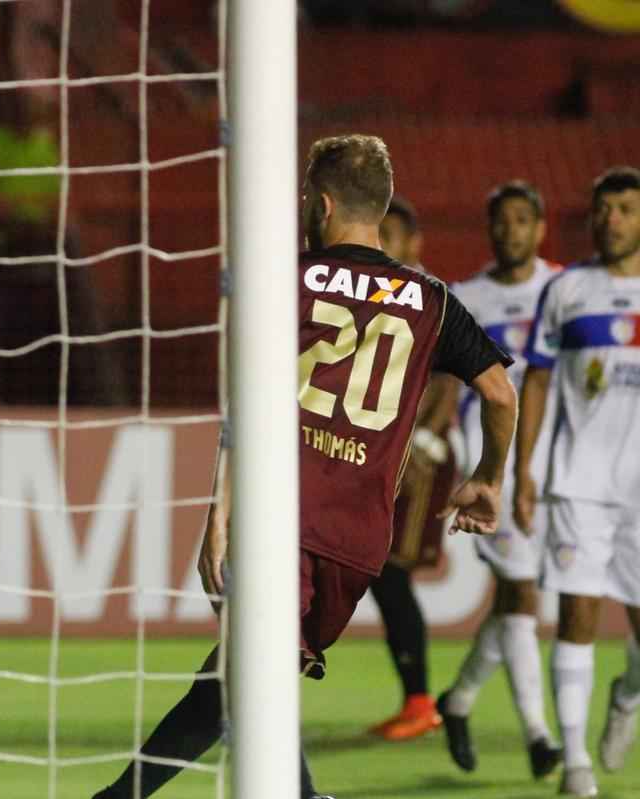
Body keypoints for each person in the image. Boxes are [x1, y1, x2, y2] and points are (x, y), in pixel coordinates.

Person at [90, 133, 518, 799]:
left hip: (285, 517)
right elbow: (500, 393)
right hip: (360, 539)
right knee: (252, 670)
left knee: (247, 672)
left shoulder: (285, 281)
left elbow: (250, 401)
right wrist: (489, 478)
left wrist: (219, 512)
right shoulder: (432, 299)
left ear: (321, 204)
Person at [513, 166, 640, 798]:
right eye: (603, 209)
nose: (611, 220)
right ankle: (575, 762)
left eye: (625, 210)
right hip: (578, 480)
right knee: (577, 613)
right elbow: (536, 380)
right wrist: (523, 470)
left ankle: (628, 694)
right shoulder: (566, 290)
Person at [435, 180, 563, 779]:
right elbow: (441, 382)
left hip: (558, 465)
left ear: (540, 228)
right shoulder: (466, 298)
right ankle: (539, 734)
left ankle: (458, 701)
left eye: (521, 220)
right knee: (522, 594)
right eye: (501, 220)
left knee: (518, 597)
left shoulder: (562, 289)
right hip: (493, 464)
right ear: (489, 229)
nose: (510, 230)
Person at [365, 196, 458, 741]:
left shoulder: (428, 296)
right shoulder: (374, 293)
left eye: (391, 234)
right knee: (379, 574)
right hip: (381, 453)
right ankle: (417, 701)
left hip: (418, 455)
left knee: (389, 570)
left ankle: (423, 702)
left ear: (415, 242)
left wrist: (425, 436)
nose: (382, 243)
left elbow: (449, 377)